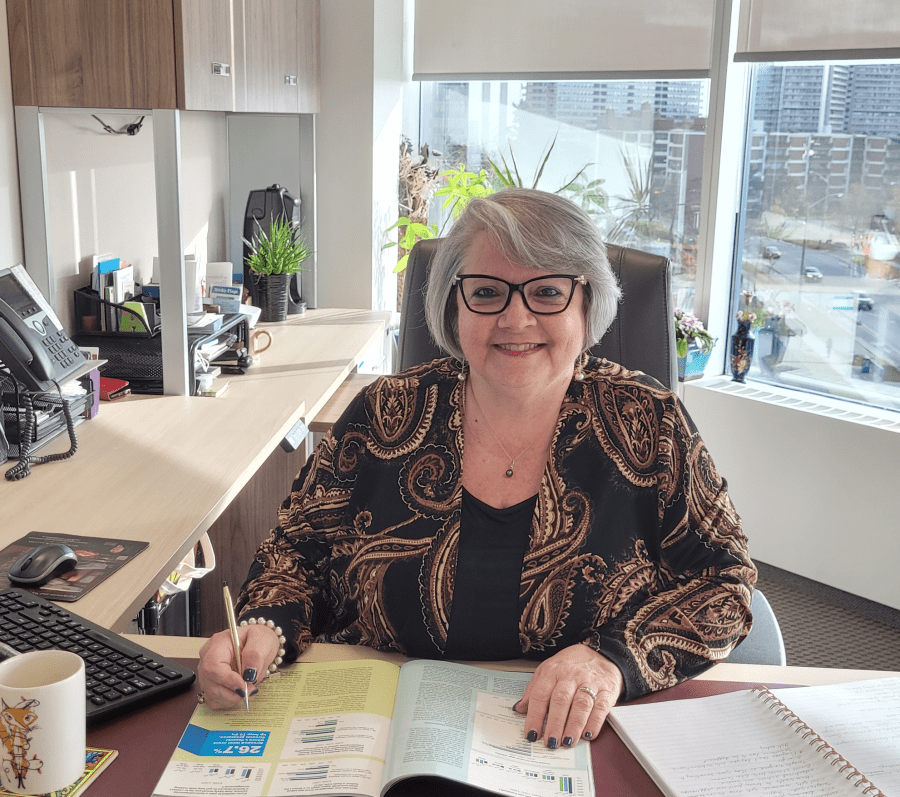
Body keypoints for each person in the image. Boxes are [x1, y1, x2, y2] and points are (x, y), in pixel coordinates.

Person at [198, 187, 756, 749]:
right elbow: (295, 555)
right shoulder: (384, 414)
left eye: (547, 292)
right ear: (453, 307)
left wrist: (612, 661)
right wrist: (263, 627)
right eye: (486, 292)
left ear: (587, 306)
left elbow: (725, 582)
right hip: (374, 735)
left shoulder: (650, 424)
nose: (516, 318)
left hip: (568, 742)